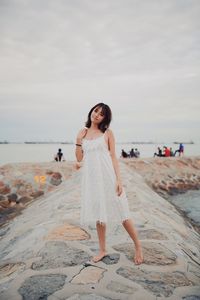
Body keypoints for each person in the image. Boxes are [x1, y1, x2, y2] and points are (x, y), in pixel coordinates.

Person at [75, 102, 144, 265]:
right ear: (91, 111)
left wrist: (119, 180)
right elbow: (79, 158)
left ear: (105, 118)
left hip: (108, 177)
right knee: (100, 215)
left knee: (123, 212)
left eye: (101, 114)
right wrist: (78, 140)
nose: (97, 114)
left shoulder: (107, 133)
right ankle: (102, 249)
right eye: (96, 111)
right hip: (92, 180)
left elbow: (113, 156)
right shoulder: (82, 133)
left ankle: (138, 246)